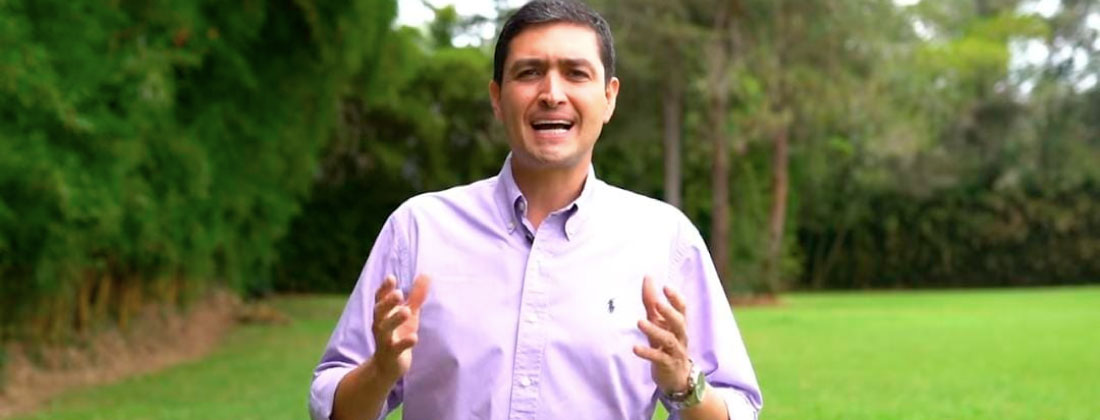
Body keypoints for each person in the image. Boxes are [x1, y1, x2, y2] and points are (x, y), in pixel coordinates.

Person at [308, 1, 762, 419]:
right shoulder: (418, 230)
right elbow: (330, 405)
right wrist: (381, 370)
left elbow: (739, 408)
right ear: (496, 97)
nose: (551, 93)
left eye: (576, 73)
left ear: (609, 97)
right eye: (529, 73)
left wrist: (685, 384)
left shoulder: (664, 239)